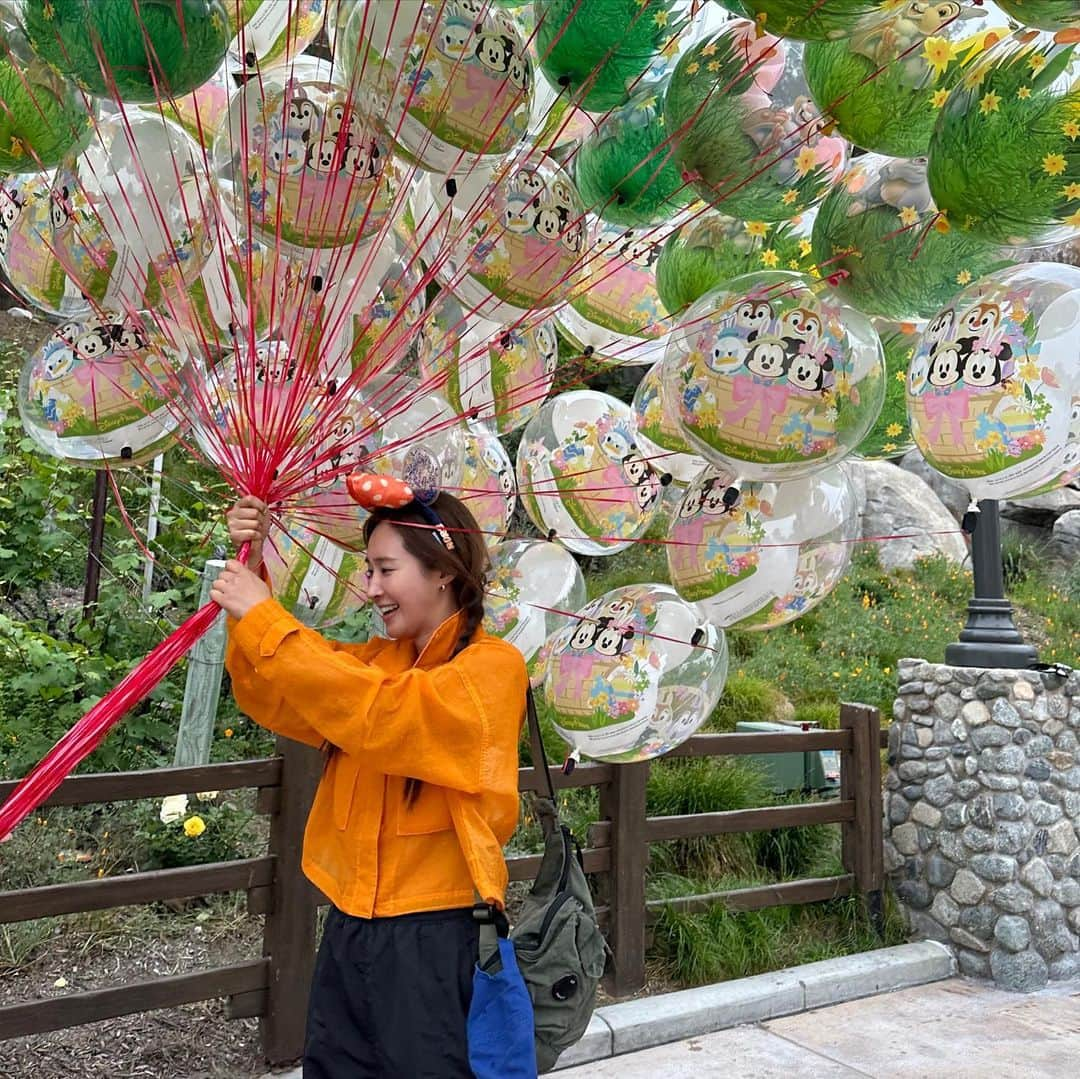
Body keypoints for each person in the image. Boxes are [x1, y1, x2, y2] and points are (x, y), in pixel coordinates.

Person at [211, 490, 528, 1078]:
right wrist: (250, 567)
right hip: (350, 927)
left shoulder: (492, 669)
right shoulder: (376, 664)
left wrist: (265, 618)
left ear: (442, 571)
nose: (373, 588)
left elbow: (386, 718)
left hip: (438, 938)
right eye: (369, 570)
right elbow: (273, 691)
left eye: (386, 570)